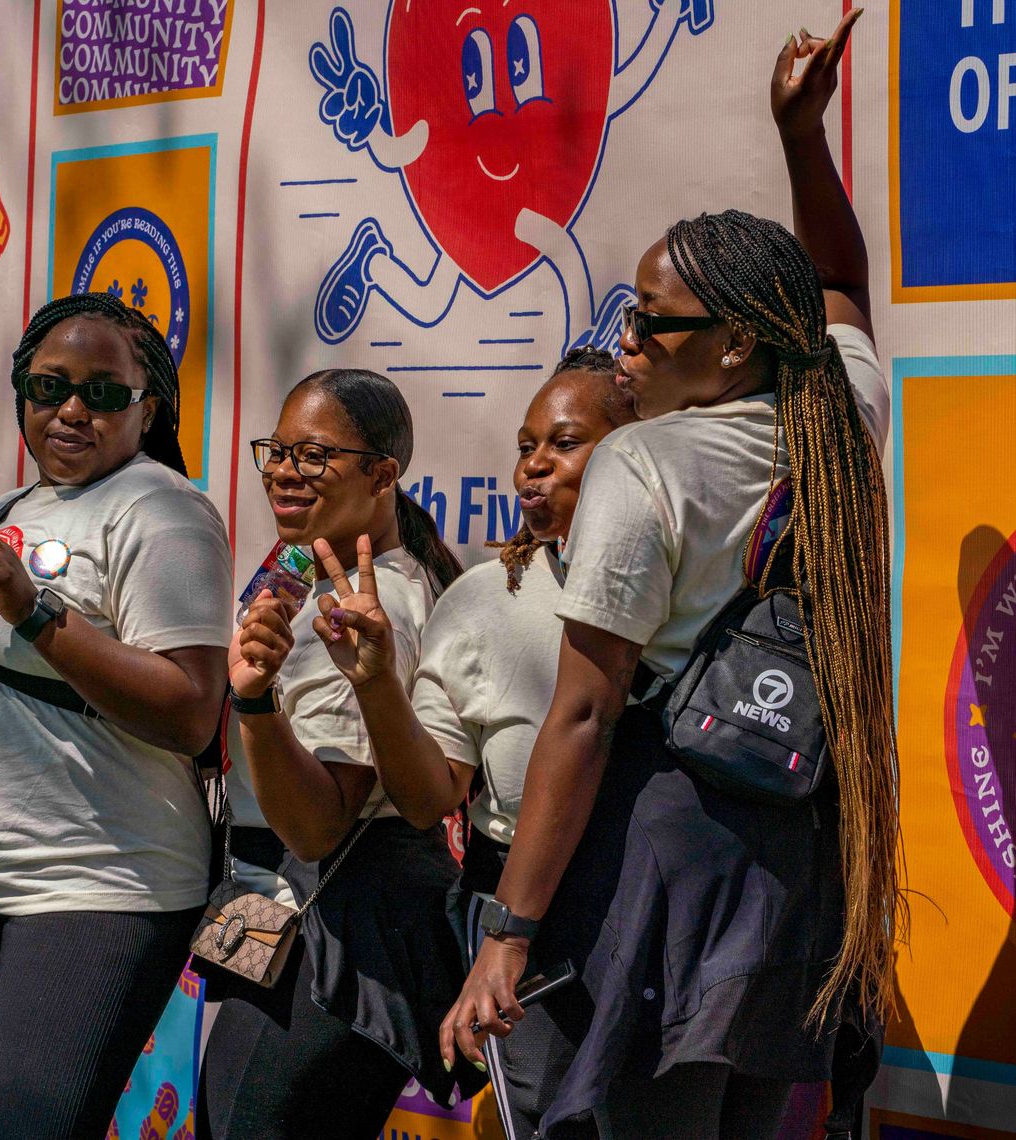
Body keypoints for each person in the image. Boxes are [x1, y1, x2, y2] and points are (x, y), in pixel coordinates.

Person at [439, 12, 903, 1139]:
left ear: (737, 343)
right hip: (791, 863)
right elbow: (838, 280)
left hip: (659, 864)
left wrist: (507, 930)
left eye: (653, 325)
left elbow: (587, 714)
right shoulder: (842, 417)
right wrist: (804, 136)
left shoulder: (647, 463)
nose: (629, 346)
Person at [0, 292, 234, 1140]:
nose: (72, 409)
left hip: (96, 883)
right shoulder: (7, 512)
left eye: (104, 393)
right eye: (48, 388)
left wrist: (39, 611)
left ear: (150, 409)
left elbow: (189, 711)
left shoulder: (162, 511)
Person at [303, 345, 634, 1140]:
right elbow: (428, 796)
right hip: (539, 950)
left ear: (639, 452)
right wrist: (378, 683)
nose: (534, 467)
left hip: (666, 932)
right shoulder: (484, 601)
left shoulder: (691, 593)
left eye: (564, 443)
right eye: (526, 446)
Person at [196, 368, 483, 1140]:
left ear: (382, 474)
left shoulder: (362, 605)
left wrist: (255, 704)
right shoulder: (310, 577)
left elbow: (323, 826)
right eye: (278, 451)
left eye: (315, 455)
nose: (285, 471)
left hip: (340, 930)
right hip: (302, 909)